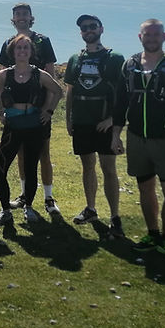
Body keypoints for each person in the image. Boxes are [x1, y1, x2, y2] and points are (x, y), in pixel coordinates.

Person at [111, 19, 165, 259]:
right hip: (137, 138)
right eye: (147, 35)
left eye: (156, 35)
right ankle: (152, 233)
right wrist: (116, 135)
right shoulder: (129, 65)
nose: (152, 38)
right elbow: (120, 103)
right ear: (140, 37)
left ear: (164, 37)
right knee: (145, 189)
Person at [0, 34, 64, 227]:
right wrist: (0, 112)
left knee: (30, 169)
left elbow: (58, 91)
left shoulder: (39, 74)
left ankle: (28, 207)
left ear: (31, 52)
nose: (22, 51)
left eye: (25, 48)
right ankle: (5, 211)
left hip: (33, 128)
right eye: (18, 48)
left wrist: (48, 111)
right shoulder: (4, 75)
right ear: (12, 52)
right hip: (12, 127)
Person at [64, 14, 126, 237]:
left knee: (109, 169)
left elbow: (123, 93)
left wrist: (112, 120)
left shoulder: (115, 58)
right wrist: (68, 118)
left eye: (92, 26)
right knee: (87, 167)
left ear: (101, 29)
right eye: (83, 28)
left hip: (105, 124)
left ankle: (115, 217)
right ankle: (91, 209)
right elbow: (70, 91)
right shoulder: (75, 59)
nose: (88, 30)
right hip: (82, 122)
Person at [0, 3, 60, 214]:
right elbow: (3, 80)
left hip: (39, 111)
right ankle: (25, 196)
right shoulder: (8, 43)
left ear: (31, 17)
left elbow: (52, 75)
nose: (21, 17)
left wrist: (47, 109)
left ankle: (49, 197)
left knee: (44, 153)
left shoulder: (43, 41)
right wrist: (4, 110)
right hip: (17, 113)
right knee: (22, 155)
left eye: (25, 14)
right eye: (17, 15)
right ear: (13, 19)